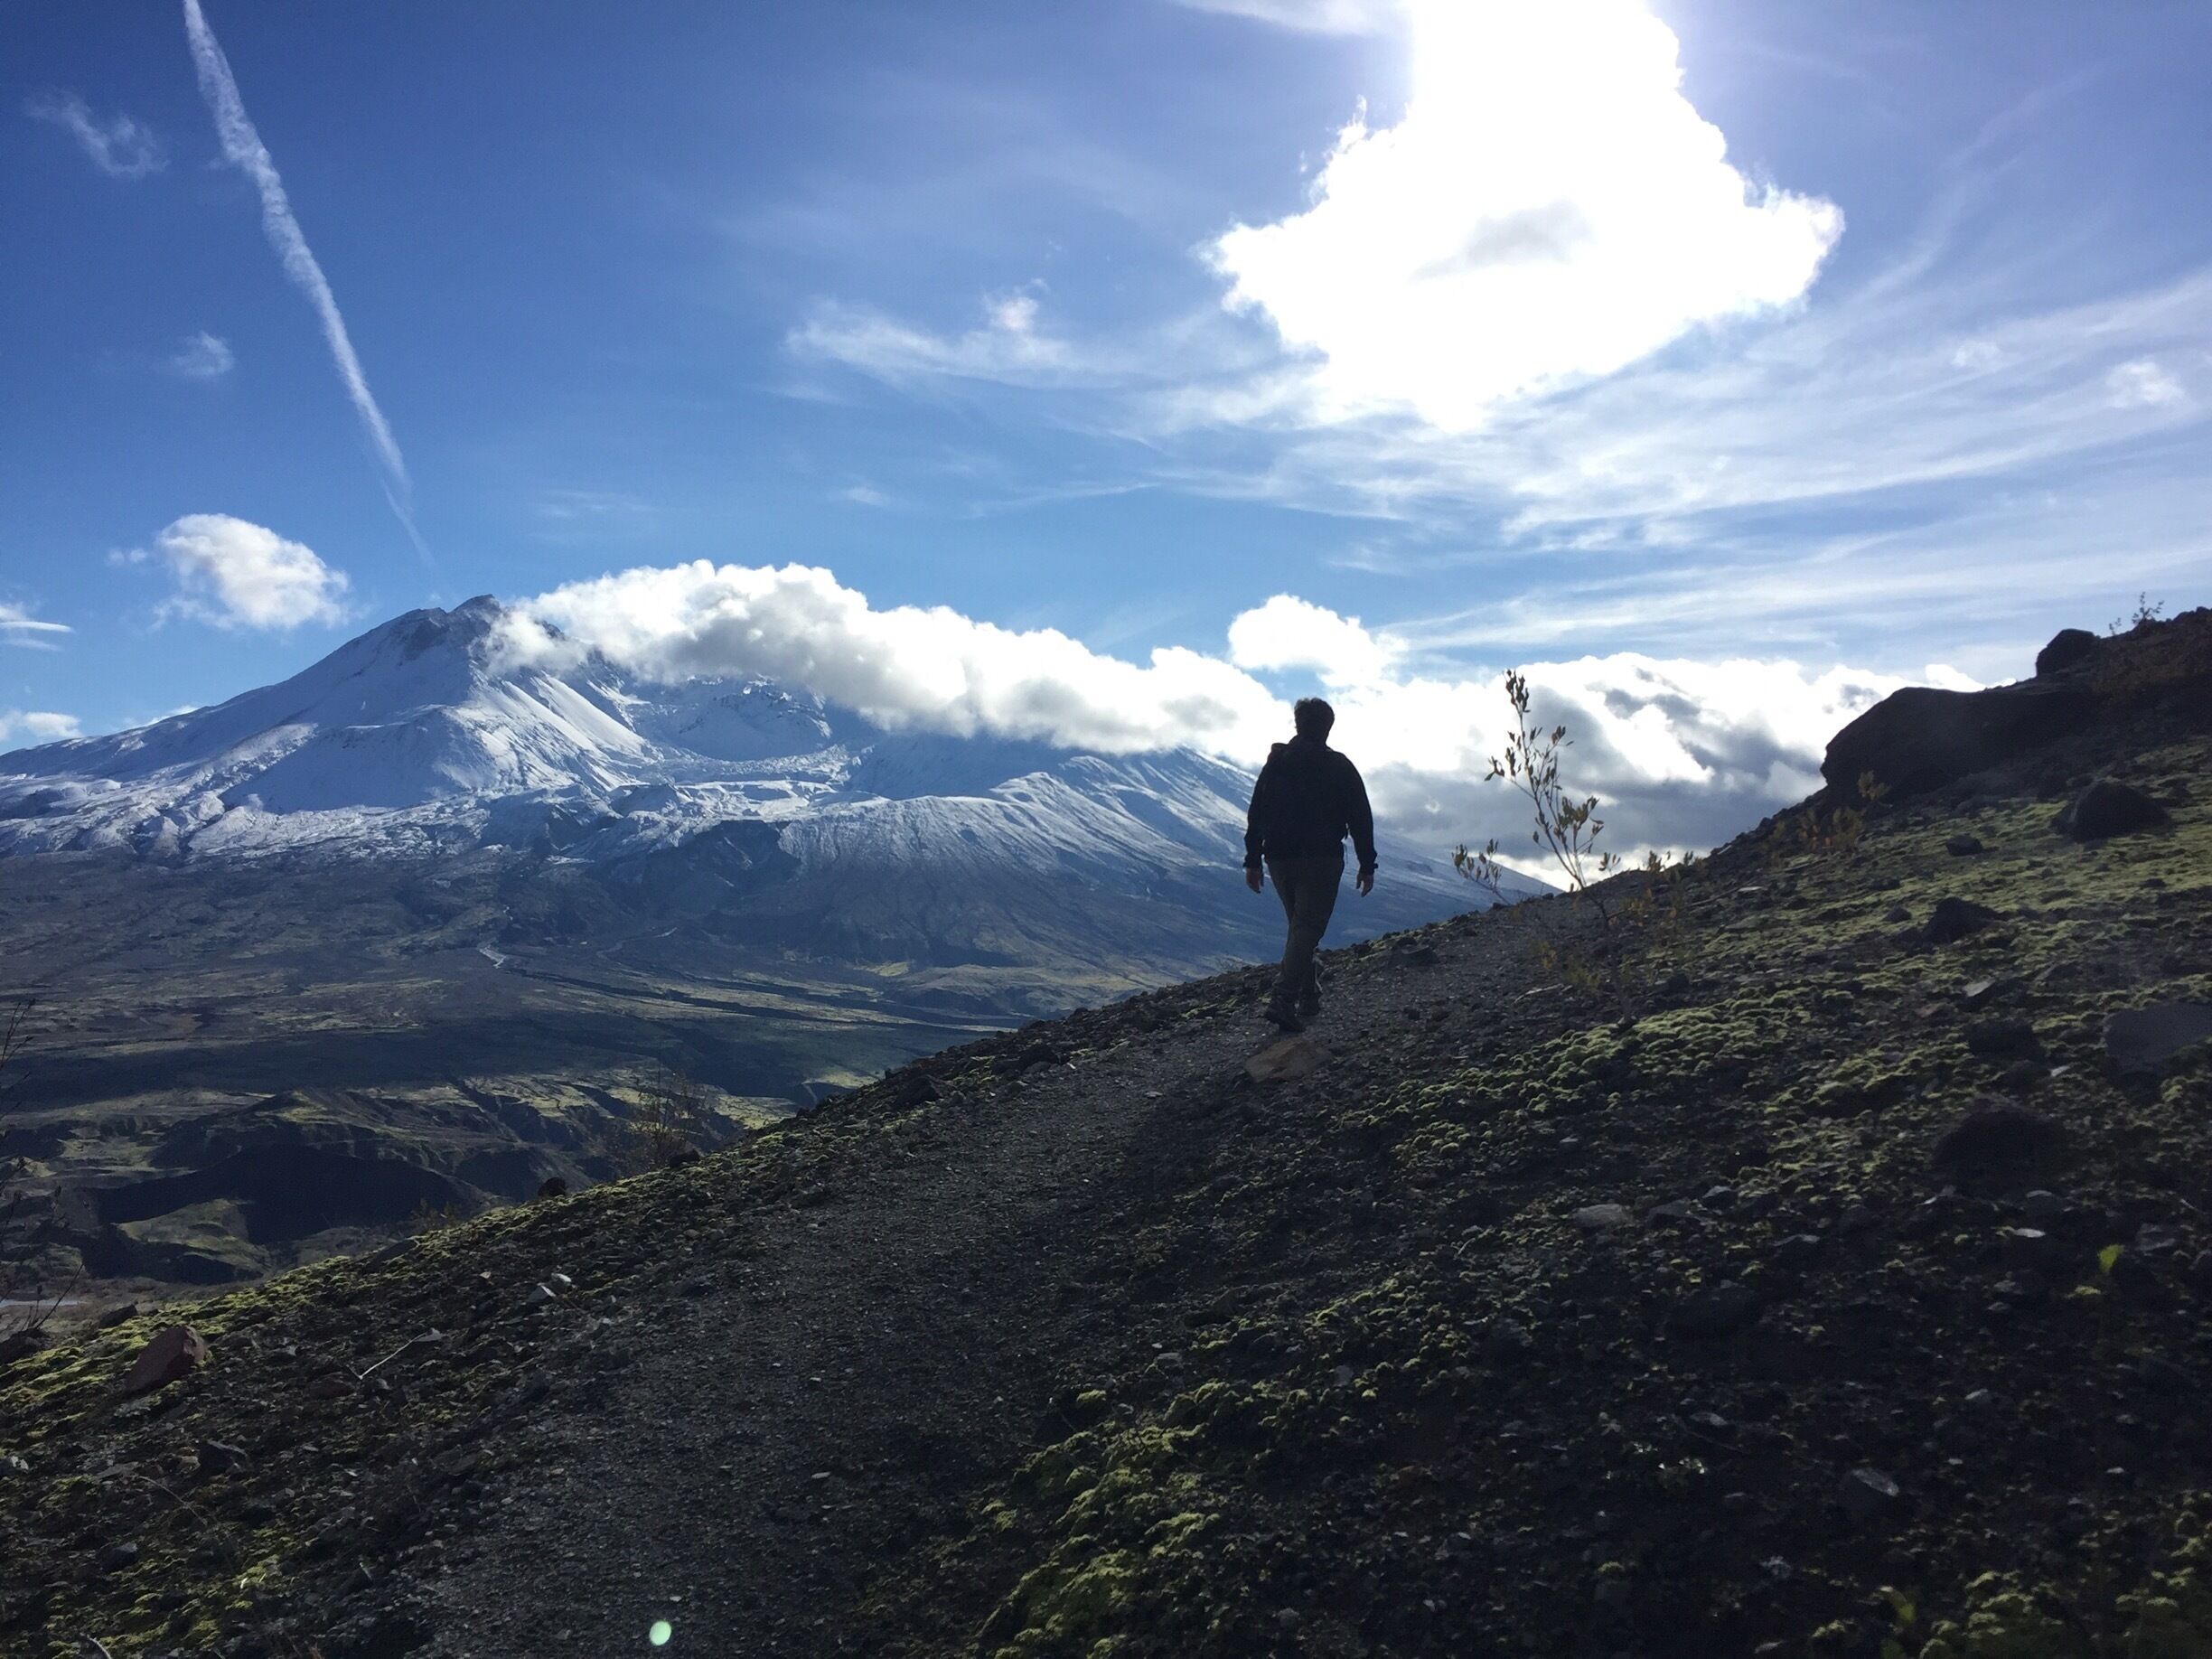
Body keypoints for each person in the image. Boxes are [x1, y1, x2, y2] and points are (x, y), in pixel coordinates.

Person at [1243, 697, 1376, 1032]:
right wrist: (1367, 863)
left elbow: (1257, 811)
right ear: (1328, 727)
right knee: (1307, 928)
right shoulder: (1339, 767)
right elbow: (1360, 817)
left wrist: (1253, 859)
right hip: (1321, 859)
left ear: (1297, 724)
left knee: (1299, 927)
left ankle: (1309, 994)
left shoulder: (1276, 764)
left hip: (1279, 858)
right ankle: (1284, 998)